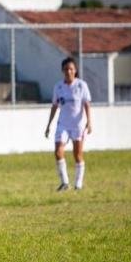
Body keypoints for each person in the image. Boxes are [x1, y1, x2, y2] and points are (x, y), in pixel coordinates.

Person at [44, 57, 92, 191]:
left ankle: (78, 185)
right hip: (62, 125)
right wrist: (49, 125)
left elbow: (86, 104)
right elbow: (55, 106)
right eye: (66, 69)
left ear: (75, 71)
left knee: (78, 155)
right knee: (58, 152)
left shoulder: (81, 85)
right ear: (62, 71)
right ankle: (65, 183)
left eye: (71, 69)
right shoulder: (58, 87)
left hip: (78, 125)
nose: (68, 72)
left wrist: (89, 122)